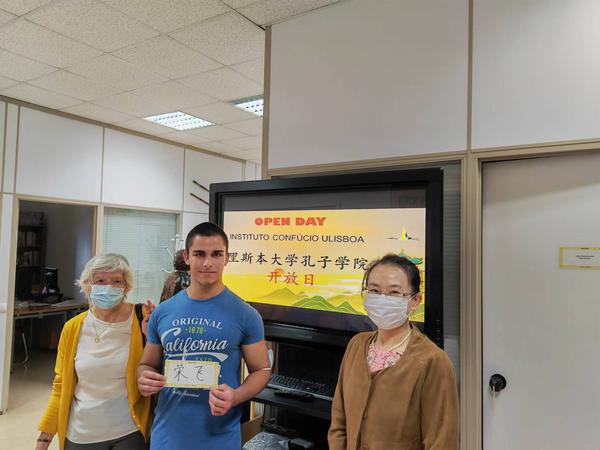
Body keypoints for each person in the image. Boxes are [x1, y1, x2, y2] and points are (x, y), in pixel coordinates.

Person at [137, 222, 270, 450]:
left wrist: (236, 396)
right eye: (199, 254)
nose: (208, 263)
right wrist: (144, 378)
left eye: (216, 254)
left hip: (220, 439)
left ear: (227, 258)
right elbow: (146, 364)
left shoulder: (246, 314)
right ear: (187, 257)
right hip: (166, 437)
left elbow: (262, 370)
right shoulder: (163, 312)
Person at [328, 254, 459, 450]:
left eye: (394, 292)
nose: (382, 299)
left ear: (415, 301)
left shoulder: (433, 361)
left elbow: (442, 441)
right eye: (374, 291)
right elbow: (339, 422)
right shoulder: (356, 345)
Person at [36, 254, 153, 450]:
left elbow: (157, 366)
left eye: (116, 281)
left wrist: (151, 336)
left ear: (126, 286)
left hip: (129, 432)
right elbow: (60, 385)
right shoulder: (73, 327)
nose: (108, 287)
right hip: (81, 433)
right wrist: (43, 439)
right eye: (100, 281)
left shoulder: (143, 318)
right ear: (87, 285)